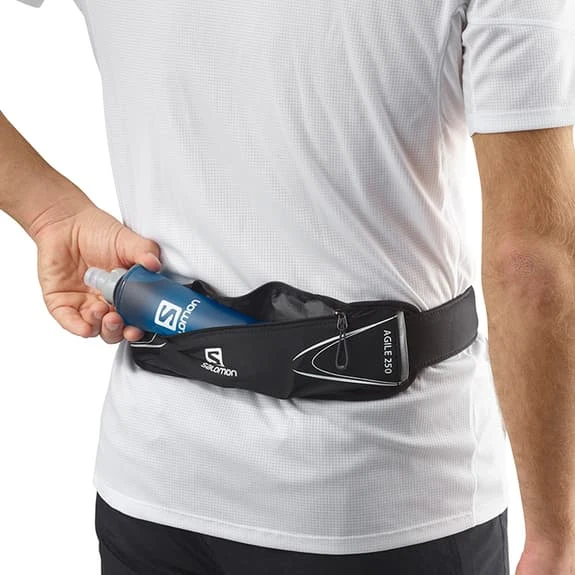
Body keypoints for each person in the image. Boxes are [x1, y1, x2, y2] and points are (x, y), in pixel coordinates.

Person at [2, 0, 574, 573]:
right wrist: (555, 540)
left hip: (152, 479)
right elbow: (529, 262)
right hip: (381, 498)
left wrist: (49, 212)